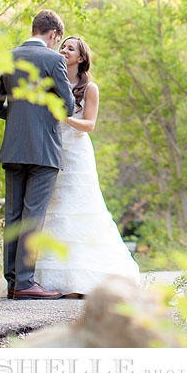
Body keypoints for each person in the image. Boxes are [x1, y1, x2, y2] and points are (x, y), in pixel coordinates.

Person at [34, 35, 141, 297]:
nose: (64, 50)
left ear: (81, 57)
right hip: (53, 148)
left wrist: (66, 117)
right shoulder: (51, 84)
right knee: (54, 209)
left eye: (71, 48)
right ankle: (51, 279)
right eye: (63, 46)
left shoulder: (90, 88)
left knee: (79, 207)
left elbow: (90, 124)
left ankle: (86, 277)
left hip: (77, 152)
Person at [0, 10, 75, 301]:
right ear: (53, 34)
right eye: (58, 40)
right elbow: (69, 107)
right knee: (32, 215)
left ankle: (13, 281)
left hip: (12, 148)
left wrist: (19, 118)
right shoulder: (54, 60)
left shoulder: (7, 57)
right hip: (44, 150)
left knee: (13, 216)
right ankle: (24, 284)